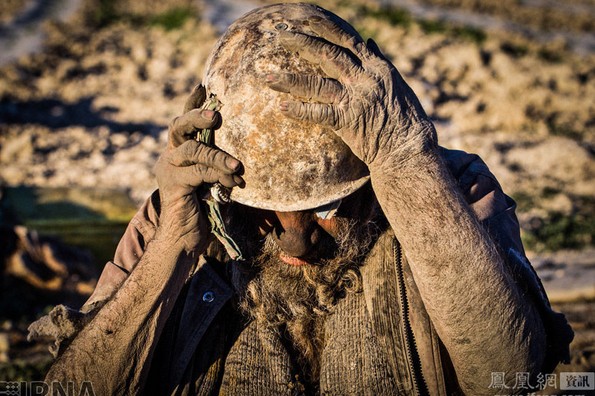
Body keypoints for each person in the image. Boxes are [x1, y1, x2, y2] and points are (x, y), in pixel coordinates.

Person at [29, 3, 573, 395]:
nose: (293, 235)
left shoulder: (443, 185)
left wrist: (407, 164)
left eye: (323, 207)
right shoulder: (177, 213)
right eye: (262, 205)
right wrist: (171, 249)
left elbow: (511, 374)